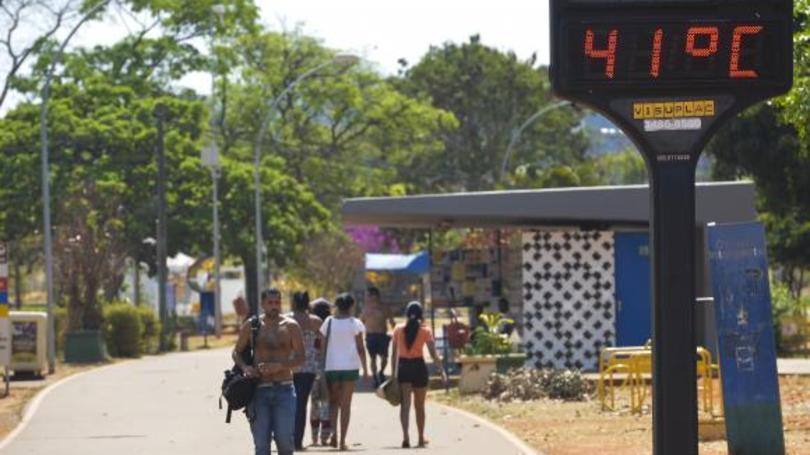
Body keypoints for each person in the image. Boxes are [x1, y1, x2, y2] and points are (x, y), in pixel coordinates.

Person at [233, 288, 304, 455]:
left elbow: (301, 357)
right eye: (270, 303)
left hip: (285, 389)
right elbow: (236, 352)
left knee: (285, 443)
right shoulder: (252, 325)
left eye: (277, 302)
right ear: (262, 304)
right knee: (262, 446)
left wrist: (281, 366)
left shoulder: (291, 326)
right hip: (259, 391)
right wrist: (246, 368)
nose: (274, 306)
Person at [391, 301, 447, 449]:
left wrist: (393, 376)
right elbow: (434, 354)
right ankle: (421, 438)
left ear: (406, 314)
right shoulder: (425, 331)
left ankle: (406, 437)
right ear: (421, 315)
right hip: (419, 368)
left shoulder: (398, 329)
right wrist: (442, 371)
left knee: (405, 406)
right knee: (419, 406)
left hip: (404, 367)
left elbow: (393, 355)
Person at [320, 293, 369, 451]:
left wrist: (322, 365)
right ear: (351, 306)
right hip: (350, 367)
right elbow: (361, 348)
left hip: (332, 367)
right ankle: (342, 441)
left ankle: (334, 433)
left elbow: (322, 345)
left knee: (334, 403)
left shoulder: (329, 322)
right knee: (346, 405)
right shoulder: (355, 323)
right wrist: (366, 370)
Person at [289, 291, 324, 451]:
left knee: (288, 405)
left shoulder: (287, 320)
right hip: (309, 367)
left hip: (288, 366)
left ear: (294, 303)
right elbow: (322, 344)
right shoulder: (316, 321)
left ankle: (288, 438)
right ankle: (297, 441)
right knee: (301, 404)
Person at [309, 298, 333, 446]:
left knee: (314, 405)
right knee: (327, 404)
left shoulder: (310, 327)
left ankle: (314, 438)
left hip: (313, 370)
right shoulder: (330, 328)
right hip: (329, 369)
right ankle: (325, 437)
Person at [360, 286, 395, 387]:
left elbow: (392, 322)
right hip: (370, 336)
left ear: (375, 296)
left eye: (368, 295)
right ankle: (375, 377)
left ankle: (381, 372)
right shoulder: (365, 309)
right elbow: (360, 323)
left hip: (382, 336)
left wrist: (396, 332)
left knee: (384, 358)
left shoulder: (385, 307)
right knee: (373, 358)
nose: (366, 298)